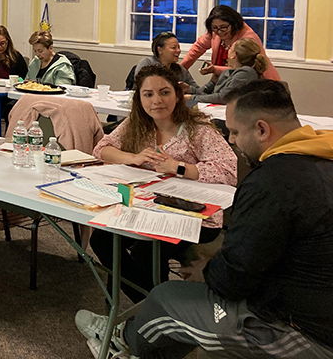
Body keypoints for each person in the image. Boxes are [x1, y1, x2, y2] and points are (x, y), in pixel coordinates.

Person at [76, 80, 333, 359]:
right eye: (147, 94)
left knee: (167, 297)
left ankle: (121, 340)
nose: (232, 140)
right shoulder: (320, 158)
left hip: (300, 330)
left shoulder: (271, 182)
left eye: (234, 132)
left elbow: (234, 276)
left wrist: (207, 273)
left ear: (262, 129)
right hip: (305, 301)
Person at [89, 64, 237, 303]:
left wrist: (179, 167)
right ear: (139, 98)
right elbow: (102, 149)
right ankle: (155, 306)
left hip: (196, 215)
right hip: (147, 207)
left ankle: (156, 310)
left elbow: (228, 171)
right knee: (102, 239)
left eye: (164, 92)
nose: (156, 100)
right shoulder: (137, 124)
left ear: (178, 95)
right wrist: (133, 158)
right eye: (148, 94)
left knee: (148, 250)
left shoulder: (197, 129)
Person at [181, 4, 280, 81]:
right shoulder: (215, 32)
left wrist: (215, 69)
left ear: (234, 24)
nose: (219, 32)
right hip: (229, 82)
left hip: (260, 86)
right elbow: (198, 47)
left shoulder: (248, 38)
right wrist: (181, 69)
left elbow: (243, 71)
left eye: (223, 27)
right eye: (214, 28)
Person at [187, 38, 268, 105]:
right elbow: (210, 94)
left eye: (229, 48)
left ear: (234, 55)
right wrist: (190, 90)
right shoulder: (230, 72)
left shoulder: (246, 73)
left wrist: (192, 98)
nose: (227, 50)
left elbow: (223, 97)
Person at [130, 31, 199, 93]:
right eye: (173, 47)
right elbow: (142, 87)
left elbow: (198, 90)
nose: (178, 50)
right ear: (160, 50)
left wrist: (189, 89)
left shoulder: (180, 69)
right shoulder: (147, 63)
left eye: (179, 47)